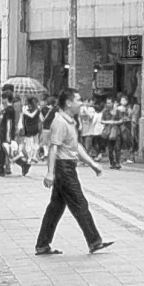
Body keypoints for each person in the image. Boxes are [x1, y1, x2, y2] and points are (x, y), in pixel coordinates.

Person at [35, 92, 113, 257]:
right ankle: (94, 241)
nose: (81, 103)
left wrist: (92, 164)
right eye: (78, 100)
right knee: (80, 204)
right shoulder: (60, 122)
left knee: (55, 208)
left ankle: (42, 244)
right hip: (64, 168)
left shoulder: (70, 122)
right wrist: (50, 172)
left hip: (68, 165)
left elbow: (75, 146)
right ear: (69, 103)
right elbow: (53, 147)